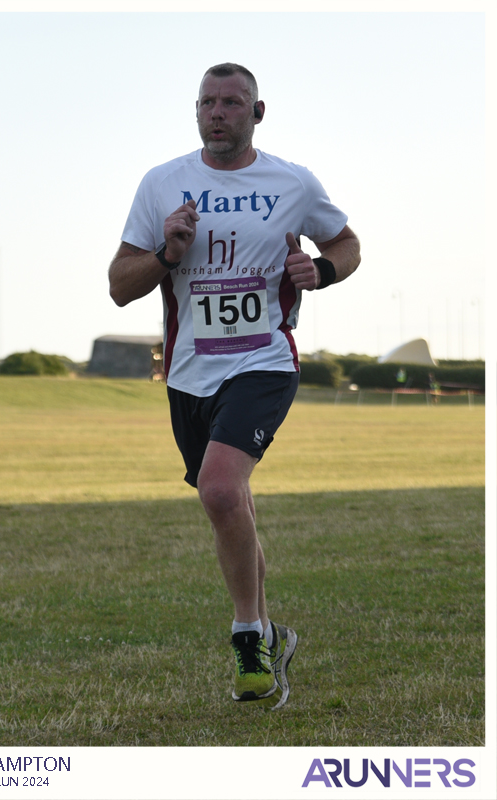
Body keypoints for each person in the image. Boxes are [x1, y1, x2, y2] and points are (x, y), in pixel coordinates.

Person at [108, 63, 361, 710]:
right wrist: (167, 254)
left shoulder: (291, 181)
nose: (218, 112)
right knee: (231, 501)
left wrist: (322, 271)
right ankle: (272, 630)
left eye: (232, 102)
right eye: (207, 102)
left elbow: (347, 242)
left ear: (258, 112)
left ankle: (247, 636)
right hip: (189, 373)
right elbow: (119, 286)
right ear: (197, 112)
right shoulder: (162, 184)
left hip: (264, 361)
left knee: (220, 488)